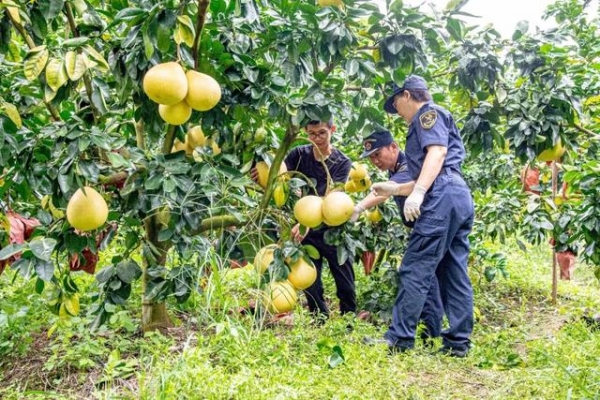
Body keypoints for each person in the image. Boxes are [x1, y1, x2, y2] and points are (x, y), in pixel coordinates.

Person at [370, 75, 475, 357]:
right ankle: (457, 344)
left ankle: (399, 338)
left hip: (442, 195)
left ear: (406, 95)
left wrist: (417, 194)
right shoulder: (428, 119)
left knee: (415, 267)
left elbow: (438, 154)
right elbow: (425, 175)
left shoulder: (428, 113)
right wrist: (396, 189)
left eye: (396, 104)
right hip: (456, 194)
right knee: (452, 270)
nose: (398, 112)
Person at [251, 119, 356, 320]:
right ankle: (319, 319)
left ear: (332, 130)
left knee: (345, 281)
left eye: (322, 133)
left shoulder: (342, 161)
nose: (317, 139)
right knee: (310, 281)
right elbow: (281, 180)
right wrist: (263, 176)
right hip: (304, 229)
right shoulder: (298, 154)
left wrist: (306, 222)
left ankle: (349, 321)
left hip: (332, 230)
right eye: (312, 134)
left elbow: (330, 198)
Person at [350, 129, 444, 345]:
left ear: (393, 147)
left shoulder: (406, 165)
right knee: (430, 279)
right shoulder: (395, 169)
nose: (375, 161)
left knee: (415, 275)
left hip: (430, 227)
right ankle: (432, 334)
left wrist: (359, 207)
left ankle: (410, 336)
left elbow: (388, 191)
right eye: (370, 157)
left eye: (377, 154)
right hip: (429, 227)